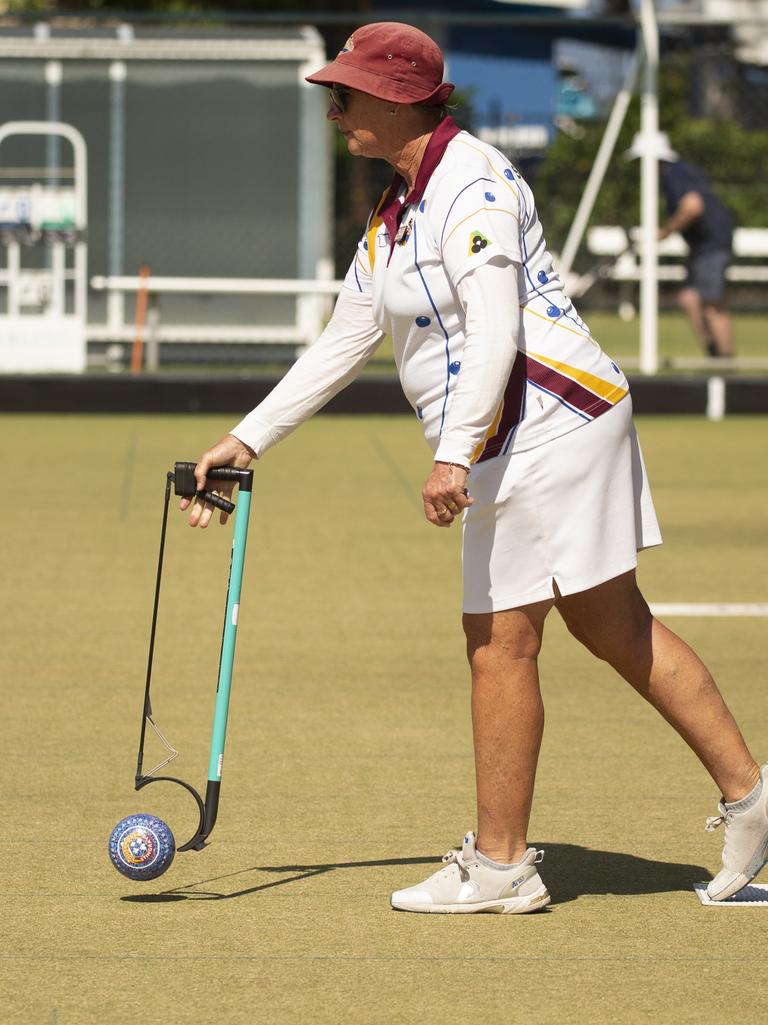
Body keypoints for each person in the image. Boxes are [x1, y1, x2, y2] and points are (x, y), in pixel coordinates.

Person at [181, 23, 767, 914]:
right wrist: (248, 436)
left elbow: (495, 324)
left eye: (344, 94)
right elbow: (348, 337)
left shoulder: (473, 185)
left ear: (396, 98)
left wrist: (452, 454)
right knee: (613, 624)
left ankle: (500, 865)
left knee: (499, 642)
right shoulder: (397, 206)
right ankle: (755, 800)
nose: (333, 110)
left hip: (547, 426)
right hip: (539, 427)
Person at [626, 131, 735, 358]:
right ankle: (713, 352)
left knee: (712, 304)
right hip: (702, 245)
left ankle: (725, 361)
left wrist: (666, 231)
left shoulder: (674, 174)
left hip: (711, 244)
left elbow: (693, 206)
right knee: (689, 298)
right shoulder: (679, 173)